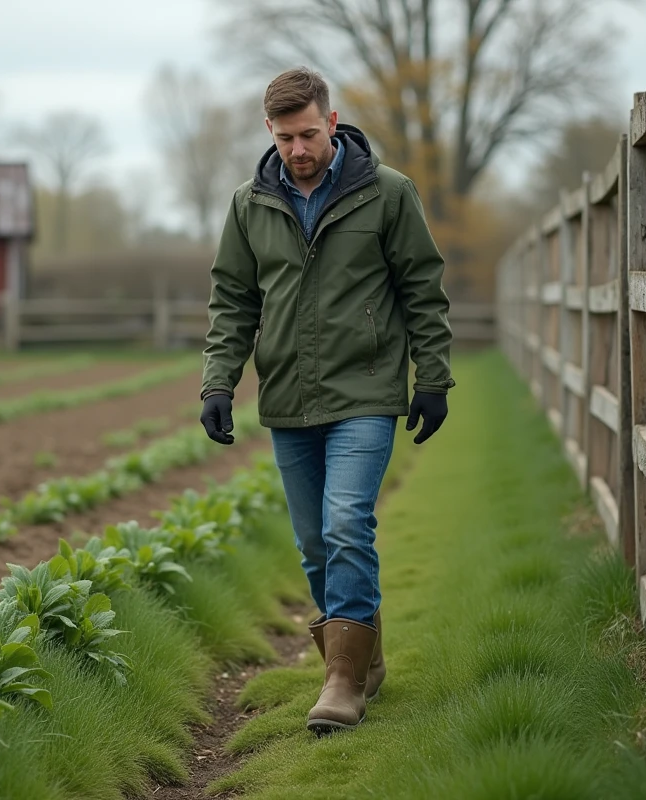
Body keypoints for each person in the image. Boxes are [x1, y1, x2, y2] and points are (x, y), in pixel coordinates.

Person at [198, 67, 455, 735]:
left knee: (346, 525)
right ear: (269, 132)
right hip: (287, 397)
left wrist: (433, 376)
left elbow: (423, 289)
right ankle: (362, 656)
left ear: (332, 122)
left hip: (366, 391)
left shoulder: (388, 194)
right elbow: (233, 301)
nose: (299, 150)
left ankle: (341, 680)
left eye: (309, 134)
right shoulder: (248, 204)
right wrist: (218, 382)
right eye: (285, 138)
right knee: (315, 544)